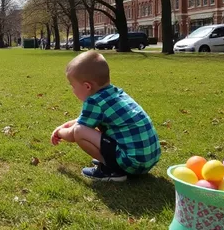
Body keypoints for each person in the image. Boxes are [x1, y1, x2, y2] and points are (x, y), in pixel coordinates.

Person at [50, 51, 161, 181]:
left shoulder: (94, 101)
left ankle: (111, 170)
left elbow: (74, 133)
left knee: (79, 132)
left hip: (132, 163)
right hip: (148, 159)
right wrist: (64, 125)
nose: (72, 90)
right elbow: (83, 120)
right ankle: (113, 161)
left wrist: (60, 132)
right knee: (82, 128)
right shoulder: (114, 93)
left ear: (87, 86)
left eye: (73, 86)